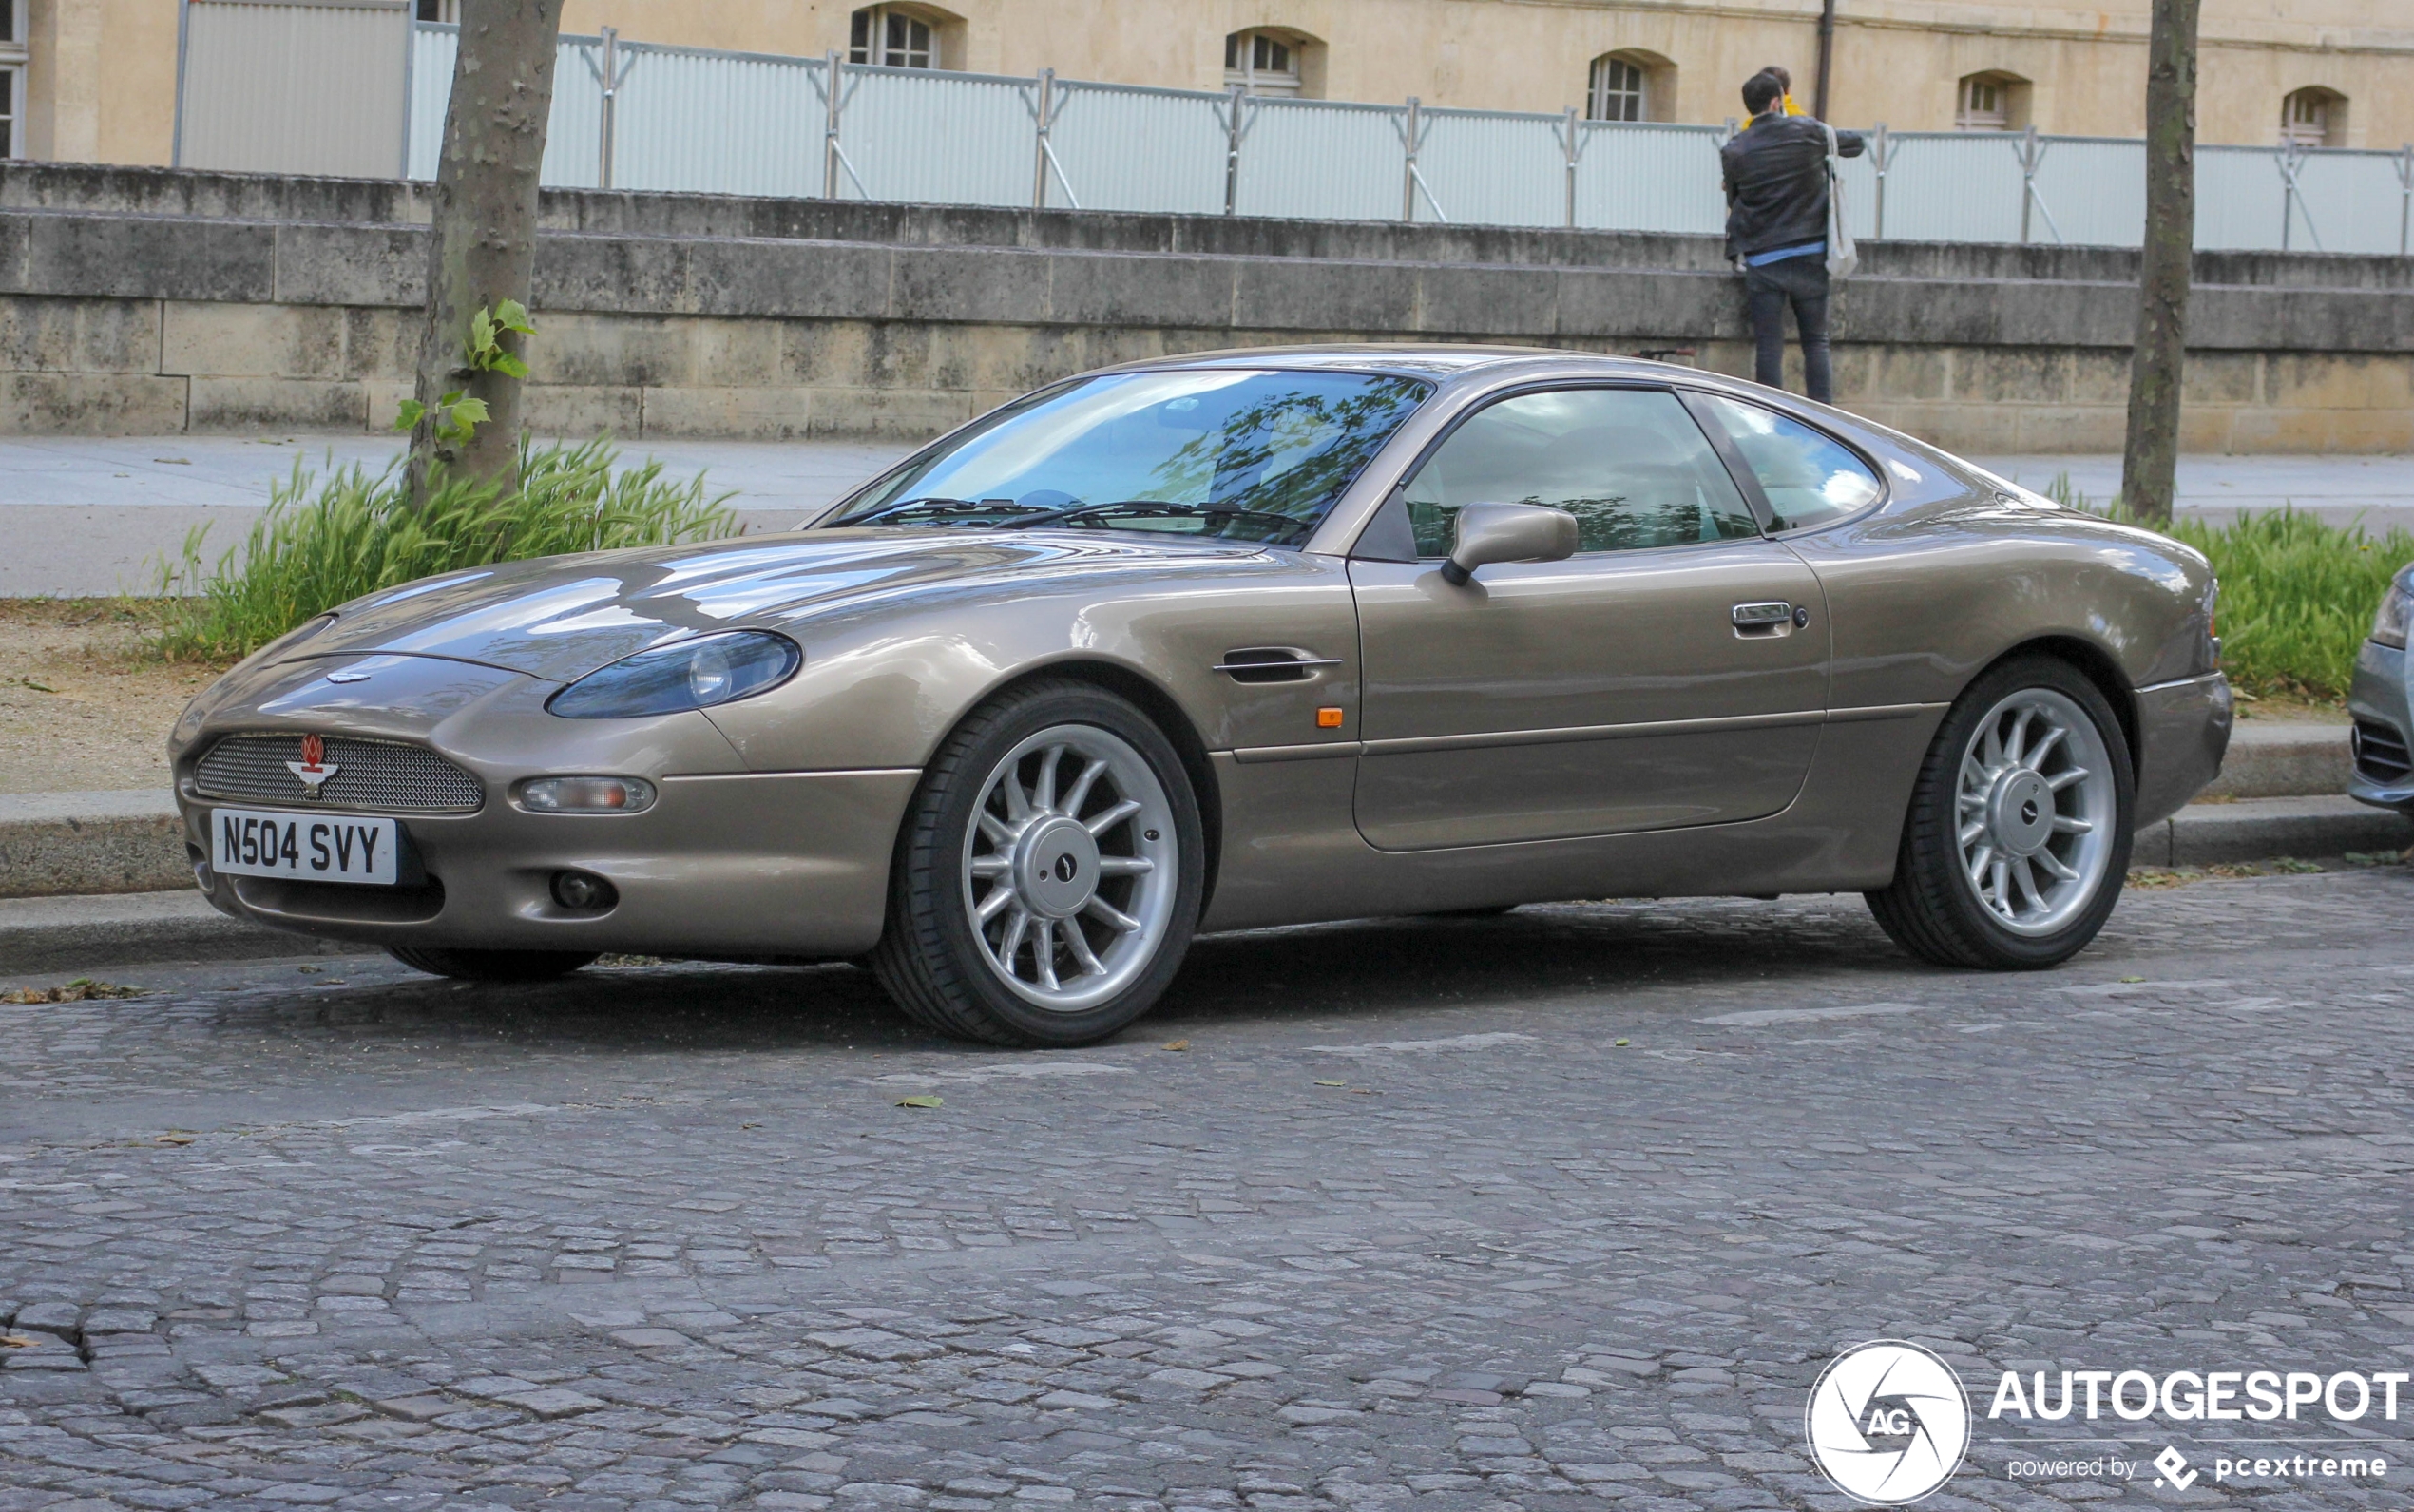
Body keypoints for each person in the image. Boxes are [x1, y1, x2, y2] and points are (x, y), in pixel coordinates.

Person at [1720, 71, 1863, 404]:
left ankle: (1771, 413)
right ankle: (1824, 416)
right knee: (1816, 341)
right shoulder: (1808, 132)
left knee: (1769, 345)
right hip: (1810, 253)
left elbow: (1734, 200)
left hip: (1762, 257)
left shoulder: (1735, 149)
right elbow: (1855, 143)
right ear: (1778, 100)